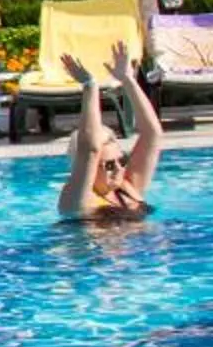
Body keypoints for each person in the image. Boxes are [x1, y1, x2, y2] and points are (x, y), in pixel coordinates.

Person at [59, 41, 165, 223]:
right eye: (108, 165)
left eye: (122, 160)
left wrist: (128, 80)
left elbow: (152, 133)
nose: (118, 169)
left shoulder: (127, 187)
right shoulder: (78, 199)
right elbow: (90, 149)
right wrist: (90, 86)